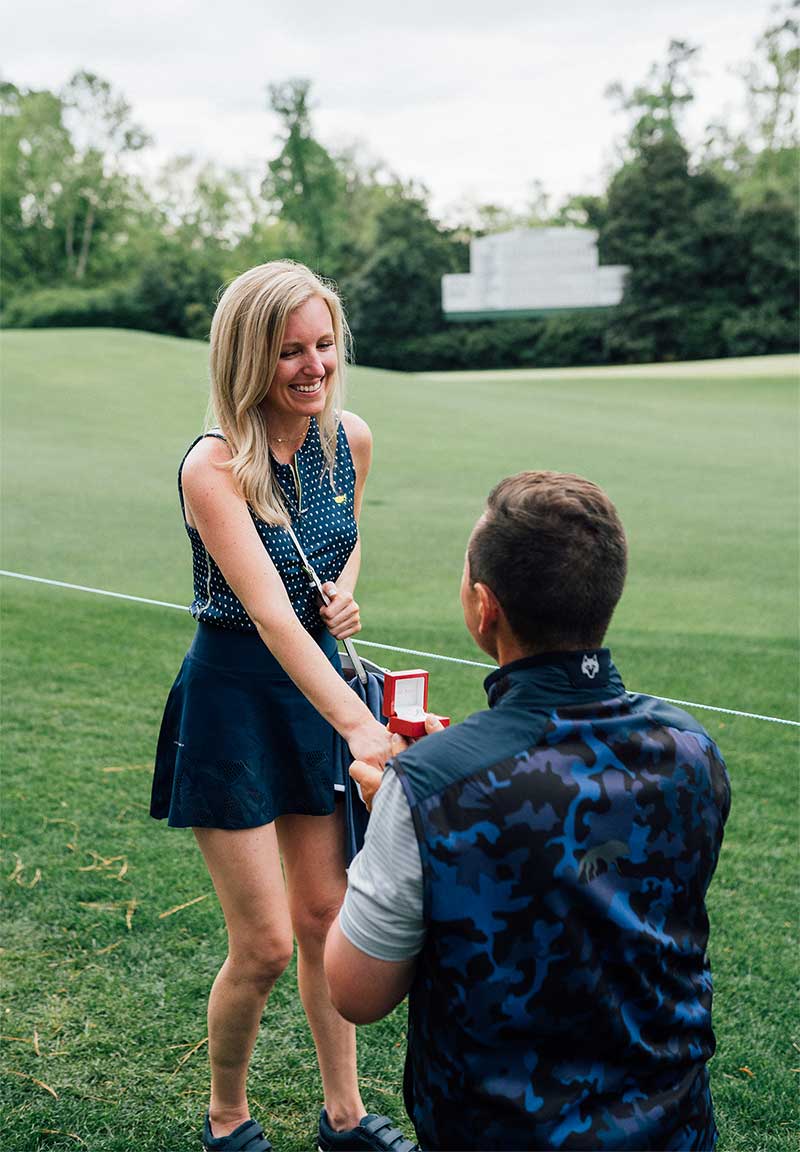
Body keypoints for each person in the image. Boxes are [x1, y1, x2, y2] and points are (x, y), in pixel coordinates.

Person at [325, 471, 731, 1151]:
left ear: (485, 608)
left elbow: (356, 994)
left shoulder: (430, 784)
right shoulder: (692, 750)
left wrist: (390, 814)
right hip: (676, 1131)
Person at [150, 261, 415, 1152]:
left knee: (326, 921)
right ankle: (228, 1121)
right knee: (263, 945)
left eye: (324, 345)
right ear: (246, 356)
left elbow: (341, 540)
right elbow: (267, 611)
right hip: (234, 703)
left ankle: (344, 1118)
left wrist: (344, 588)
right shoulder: (213, 466)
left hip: (318, 688)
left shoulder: (351, 439)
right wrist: (360, 722)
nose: (313, 368)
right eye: (289, 351)